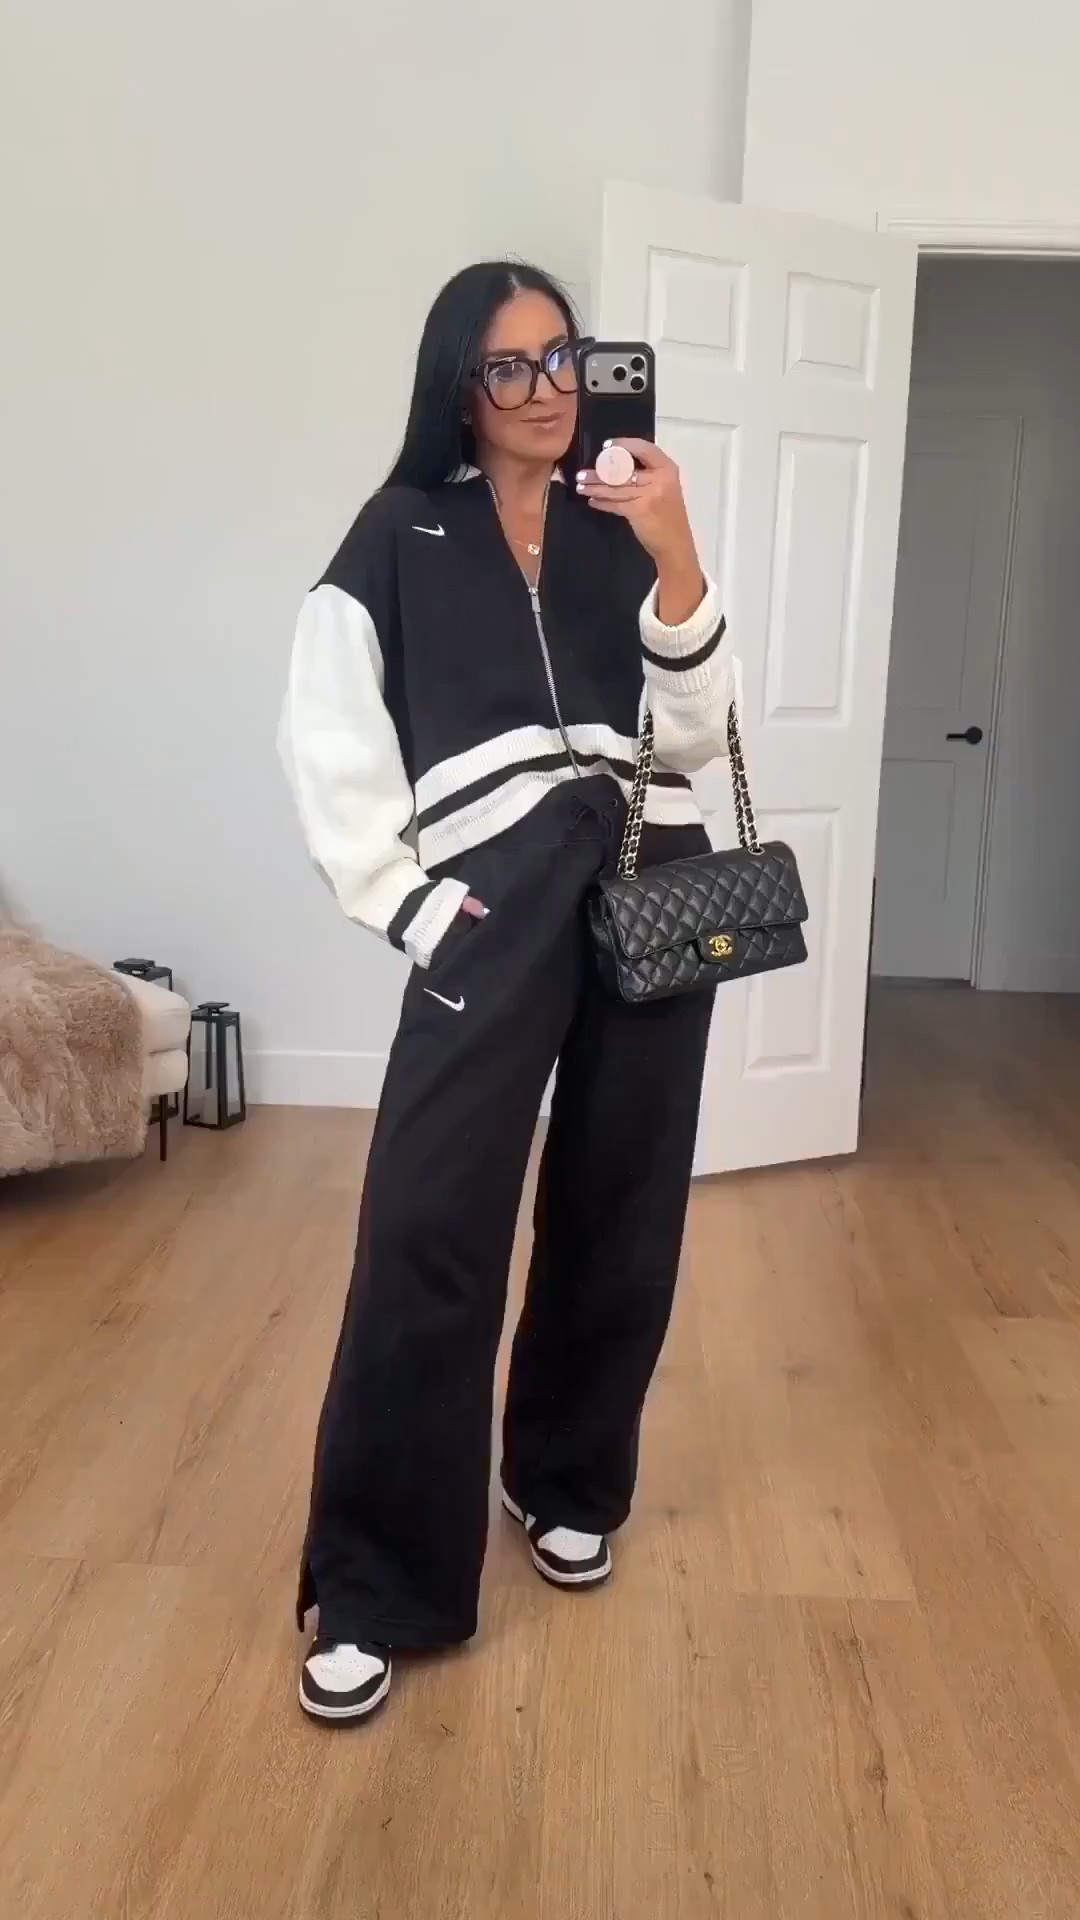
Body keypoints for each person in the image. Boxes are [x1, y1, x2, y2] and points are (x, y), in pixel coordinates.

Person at [279, 260, 739, 1724]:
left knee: (622, 1204)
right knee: (428, 1225)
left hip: (646, 872)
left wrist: (676, 554)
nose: (546, 390)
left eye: (564, 357)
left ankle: (566, 1481)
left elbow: (695, 735)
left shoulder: (623, 521)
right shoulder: (400, 531)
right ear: (458, 389)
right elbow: (329, 731)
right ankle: (377, 1583)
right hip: (493, 900)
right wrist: (410, 904)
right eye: (509, 367)